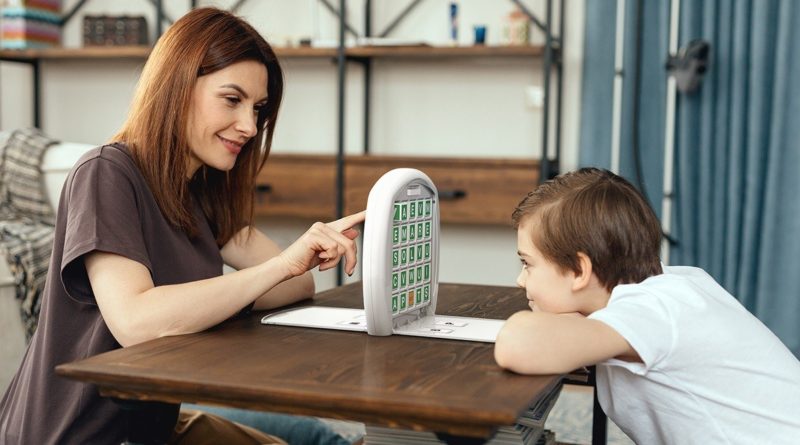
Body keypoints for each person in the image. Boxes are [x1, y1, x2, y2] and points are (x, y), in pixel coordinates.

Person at [0, 7, 364, 445]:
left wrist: (293, 262)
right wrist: (283, 265)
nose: (250, 126)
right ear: (176, 87)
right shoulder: (106, 172)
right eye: (232, 100)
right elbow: (136, 321)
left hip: (150, 427)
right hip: (77, 436)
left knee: (326, 441)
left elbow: (297, 285)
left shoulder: (200, 193)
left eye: (258, 109)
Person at [494, 168, 800, 444]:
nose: (520, 280)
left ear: (579, 270)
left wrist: (564, 321)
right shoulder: (672, 284)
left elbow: (517, 344)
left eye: (527, 264)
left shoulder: (654, 311)